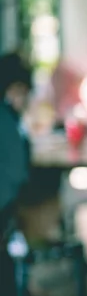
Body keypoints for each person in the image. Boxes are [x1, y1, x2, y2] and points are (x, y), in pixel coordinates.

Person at [0, 52, 32, 231]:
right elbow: (18, 172)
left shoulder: (9, 118)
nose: (24, 98)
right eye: (20, 90)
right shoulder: (6, 120)